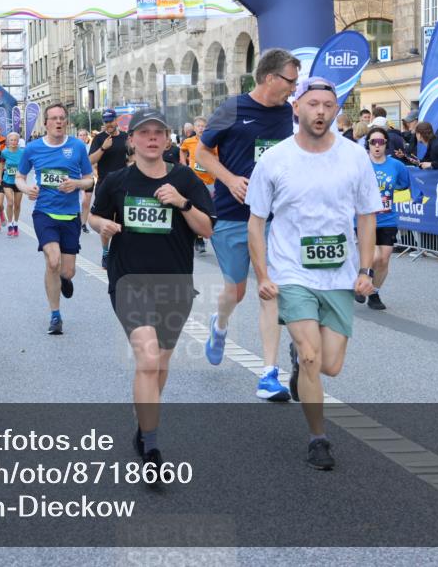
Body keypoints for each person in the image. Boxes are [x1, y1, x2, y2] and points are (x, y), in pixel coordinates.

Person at [246, 76, 381, 470]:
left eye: (328, 104)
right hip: (292, 272)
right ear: (296, 108)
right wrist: (263, 274)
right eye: (312, 104)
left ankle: (299, 363)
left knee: (330, 365)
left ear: (336, 110)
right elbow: (256, 222)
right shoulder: (275, 159)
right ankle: (318, 438)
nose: (320, 111)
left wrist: (366, 268)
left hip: (338, 275)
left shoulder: (355, 156)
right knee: (311, 356)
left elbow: (367, 216)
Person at [89, 110, 214, 472]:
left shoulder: (185, 179)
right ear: (133, 140)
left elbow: (206, 230)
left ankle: (143, 424)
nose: (152, 138)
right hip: (129, 281)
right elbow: (93, 216)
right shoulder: (116, 181)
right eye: (144, 133)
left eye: (159, 132)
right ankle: (152, 447)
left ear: (167, 139)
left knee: (160, 363)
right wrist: (104, 224)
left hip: (175, 283)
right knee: (146, 360)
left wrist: (182, 203)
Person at [196, 47, 301, 402]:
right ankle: (220, 324)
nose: (293, 88)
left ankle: (269, 374)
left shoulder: (288, 113)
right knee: (235, 292)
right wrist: (230, 180)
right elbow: (202, 153)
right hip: (232, 215)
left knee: (269, 288)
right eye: (290, 81)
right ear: (270, 78)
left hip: (273, 218)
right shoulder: (233, 109)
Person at [17, 103, 94, 335]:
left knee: (67, 271)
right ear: (46, 123)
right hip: (44, 213)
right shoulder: (32, 149)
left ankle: (64, 278)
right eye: (54, 118)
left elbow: (90, 180)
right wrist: (26, 189)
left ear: (66, 122)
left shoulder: (78, 147)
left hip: (71, 215)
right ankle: (55, 315)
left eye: (62, 118)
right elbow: (19, 177)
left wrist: (76, 184)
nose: (58, 122)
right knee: (52, 260)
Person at [358, 126, 410, 311]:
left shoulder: (396, 165)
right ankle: (362, 280)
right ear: (369, 145)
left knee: (384, 259)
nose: (377, 146)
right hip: (365, 218)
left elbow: (404, 185)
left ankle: (374, 292)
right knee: (374, 256)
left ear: (386, 144)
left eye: (381, 142)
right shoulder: (361, 164)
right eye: (373, 142)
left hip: (388, 218)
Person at [89, 108, 129, 269]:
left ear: (116, 120)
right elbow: (90, 160)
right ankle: (106, 253)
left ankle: (122, 253)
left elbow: (133, 157)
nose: (109, 124)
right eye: (106, 122)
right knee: (105, 222)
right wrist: (103, 148)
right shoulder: (99, 139)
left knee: (124, 222)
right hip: (104, 185)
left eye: (111, 121)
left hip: (124, 185)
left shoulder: (126, 138)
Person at [179, 116, 216, 255]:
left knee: (210, 208)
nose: (201, 128)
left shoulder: (212, 142)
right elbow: (182, 150)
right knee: (197, 208)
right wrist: (184, 163)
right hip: (195, 181)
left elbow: (218, 157)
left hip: (210, 180)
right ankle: (199, 239)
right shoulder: (188, 141)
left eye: (203, 126)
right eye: (199, 126)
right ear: (194, 128)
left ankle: (207, 232)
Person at [1, 132, 25, 236]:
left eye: (15, 140)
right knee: (10, 202)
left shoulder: (22, 152)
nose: (14, 142)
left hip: (19, 182)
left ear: (18, 141)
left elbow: (25, 166)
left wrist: (24, 178)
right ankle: (10, 224)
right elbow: (1, 163)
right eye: (11, 140)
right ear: (8, 141)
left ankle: (16, 223)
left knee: (17, 204)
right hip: (7, 181)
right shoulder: (4, 152)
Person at [76, 128, 95, 233]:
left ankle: (83, 223)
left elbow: (94, 162)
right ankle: (77, 221)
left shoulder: (90, 148)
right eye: (80, 135)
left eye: (84, 135)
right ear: (77, 136)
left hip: (88, 178)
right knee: (80, 200)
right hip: (77, 178)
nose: (82, 137)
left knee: (86, 202)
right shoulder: (74, 149)